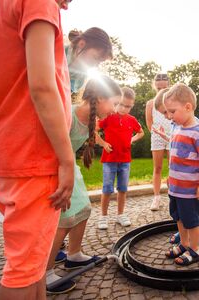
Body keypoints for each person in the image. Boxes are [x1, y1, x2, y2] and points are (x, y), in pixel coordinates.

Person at [0, 0, 74, 299]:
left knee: (33, 265)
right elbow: (42, 85)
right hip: (33, 154)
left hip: (7, 149)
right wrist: (66, 160)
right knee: (23, 272)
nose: (66, 5)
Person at [45, 76, 122, 294]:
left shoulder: (90, 118)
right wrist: (61, 176)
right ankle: (45, 273)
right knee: (66, 219)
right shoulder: (68, 113)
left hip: (67, 168)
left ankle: (74, 255)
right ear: (99, 98)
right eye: (113, 103)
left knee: (84, 209)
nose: (115, 109)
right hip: (53, 169)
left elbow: (89, 137)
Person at [162, 83, 199, 266]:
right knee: (179, 217)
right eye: (167, 112)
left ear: (188, 107)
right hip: (176, 187)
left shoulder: (198, 133)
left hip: (190, 190)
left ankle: (195, 250)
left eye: (172, 111)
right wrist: (170, 176)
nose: (169, 116)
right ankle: (184, 244)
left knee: (191, 220)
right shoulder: (176, 128)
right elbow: (173, 154)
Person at [97, 87, 145, 229]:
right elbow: (94, 131)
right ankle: (103, 216)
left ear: (132, 105)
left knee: (123, 189)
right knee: (107, 189)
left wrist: (131, 139)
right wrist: (103, 143)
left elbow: (141, 132)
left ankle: (120, 214)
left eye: (128, 106)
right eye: (121, 104)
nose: (124, 108)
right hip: (109, 160)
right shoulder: (108, 117)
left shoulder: (132, 120)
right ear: (116, 101)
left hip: (125, 160)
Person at [145, 73, 172, 211]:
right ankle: (156, 197)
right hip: (157, 138)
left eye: (164, 86)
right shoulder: (150, 103)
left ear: (168, 85)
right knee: (158, 168)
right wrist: (157, 133)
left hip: (172, 135)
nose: (161, 89)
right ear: (155, 86)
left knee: (172, 167)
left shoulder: (171, 101)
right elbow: (149, 123)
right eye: (159, 86)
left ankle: (173, 195)